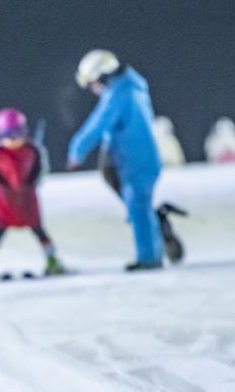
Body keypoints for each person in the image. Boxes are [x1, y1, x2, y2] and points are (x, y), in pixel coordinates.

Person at [67, 49, 165, 271]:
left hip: (135, 163)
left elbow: (97, 125)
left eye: (93, 83)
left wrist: (76, 152)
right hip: (142, 161)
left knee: (138, 209)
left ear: (103, 76)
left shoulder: (119, 96)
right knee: (140, 208)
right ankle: (156, 243)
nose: (94, 90)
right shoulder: (134, 87)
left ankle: (149, 257)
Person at [0, 108, 64, 277]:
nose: (13, 140)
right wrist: (2, 185)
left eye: (17, 134)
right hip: (5, 202)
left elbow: (40, 169)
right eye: (8, 135)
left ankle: (52, 259)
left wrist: (32, 184)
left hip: (28, 201)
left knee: (39, 230)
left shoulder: (32, 150)